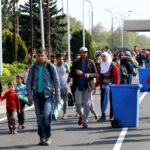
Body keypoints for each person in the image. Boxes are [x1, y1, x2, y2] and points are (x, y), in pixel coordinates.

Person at [26, 49, 60, 146]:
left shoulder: (50, 67)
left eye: (42, 55)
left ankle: (48, 137)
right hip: (37, 95)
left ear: (45, 56)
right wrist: (29, 95)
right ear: (36, 56)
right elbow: (28, 82)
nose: (40, 57)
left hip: (48, 95)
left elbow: (56, 82)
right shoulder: (33, 67)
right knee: (39, 118)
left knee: (46, 115)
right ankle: (42, 137)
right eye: (38, 55)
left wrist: (57, 95)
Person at [70, 46, 97, 128]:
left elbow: (96, 74)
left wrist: (89, 75)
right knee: (78, 104)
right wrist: (76, 73)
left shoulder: (91, 62)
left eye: (86, 52)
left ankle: (85, 121)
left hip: (87, 86)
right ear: (80, 52)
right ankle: (81, 116)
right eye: (83, 52)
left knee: (87, 104)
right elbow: (71, 74)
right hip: (78, 86)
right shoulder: (75, 63)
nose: (84, 53)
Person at [95, 52, 120, 122]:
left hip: (112, 85)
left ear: (107, 57)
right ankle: (103, 115)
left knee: (112, 100)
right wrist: (95, 85)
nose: (103, 58)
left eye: (104, 57)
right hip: (103, 85)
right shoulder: (100, 66)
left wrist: (116, 87)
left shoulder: (113, 65)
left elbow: (116, 77)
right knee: (102, 101)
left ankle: (111, 116)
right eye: (102, 57)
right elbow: (99, 78)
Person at [55, 53, 70, 119]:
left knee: (65, 100)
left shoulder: (65, 65)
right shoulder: (54, 66)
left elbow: (70, 74)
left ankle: (65, 113)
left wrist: (69, 83)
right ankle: (55, 113)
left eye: (61, 59)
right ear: (56, 59)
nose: (61, 60)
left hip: (64, 86)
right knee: (56, 100)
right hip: (56, 87)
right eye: (59, 59)